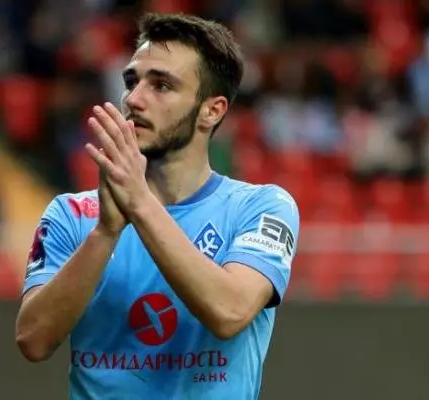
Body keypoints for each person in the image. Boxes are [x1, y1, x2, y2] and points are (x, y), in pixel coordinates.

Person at [15, 13, 300, 400]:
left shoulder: (261, 207)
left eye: (162, 85)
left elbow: (229, 312)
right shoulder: (73, 215)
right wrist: (105, 233)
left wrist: (139, 203)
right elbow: (33, 340)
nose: (133, 99)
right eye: (132, 82)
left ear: (212, 110)